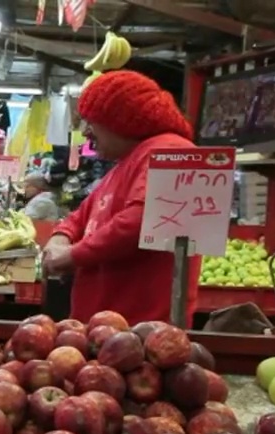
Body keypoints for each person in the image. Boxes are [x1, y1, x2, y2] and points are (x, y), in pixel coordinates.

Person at [42, 70, 201, 325]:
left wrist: (73, 255)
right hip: (106, 329)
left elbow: (141, 220)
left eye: (91, 121)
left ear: (119, 120)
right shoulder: (127, 161)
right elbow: (80, 216)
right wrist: (60, 240)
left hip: (140, 333)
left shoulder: (171, 151)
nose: (87, 133)